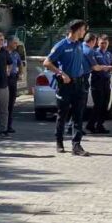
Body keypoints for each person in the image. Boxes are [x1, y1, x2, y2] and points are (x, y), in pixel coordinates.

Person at [44, 20, 92, 156]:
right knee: (62, 114)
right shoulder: (62, 45)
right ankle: (59, 142)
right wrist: (61, 73)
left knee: (78, 115)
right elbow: (47, 62)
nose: (84, 32)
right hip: (65, 85)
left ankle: (76, 146)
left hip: (79, 84)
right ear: (76, 30)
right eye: (83, 29)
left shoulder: (79, 45)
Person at [0, 36, 23, 134]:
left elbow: (20, 64)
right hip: (2, 79)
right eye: (15, 43)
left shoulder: (16, 54)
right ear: (9, 43)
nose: (16, 45)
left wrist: (20, 74)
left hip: (12, 79)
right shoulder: (2, 52)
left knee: (10, 103)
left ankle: (8, 126)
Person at [86, 34, 112, 134]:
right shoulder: (94, 53)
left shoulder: (109, 54)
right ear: (98, 43)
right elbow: (93, 66)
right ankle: (91, 125)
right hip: (97, 81)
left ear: (108, 43)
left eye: (105, 43)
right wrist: (105, 67)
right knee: (98, 105)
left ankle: (100, 125)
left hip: (106, 81)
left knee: (105, 105)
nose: (103, 45)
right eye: (102, 43)